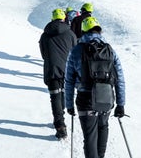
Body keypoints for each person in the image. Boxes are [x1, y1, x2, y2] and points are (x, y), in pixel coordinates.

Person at [64, 17, 126, 158]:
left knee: (90, 136)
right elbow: (120, 79)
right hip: (106, 97)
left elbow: (68, 80)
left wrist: (68, 104)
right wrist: (121, 104)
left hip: (85, 100)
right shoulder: (110, 50)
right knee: (103, 127)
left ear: (83, 31)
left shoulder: (76, 51)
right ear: (99, 30)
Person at [39, 8, 77, 139]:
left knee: (54, 96)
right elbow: (75, 53)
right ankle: (61, 114)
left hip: (51, 69)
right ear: (63, 18)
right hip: (67, 70)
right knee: (63, 93)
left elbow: (43, 54)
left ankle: (60, 125)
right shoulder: (70, 34)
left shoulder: (45, 35)